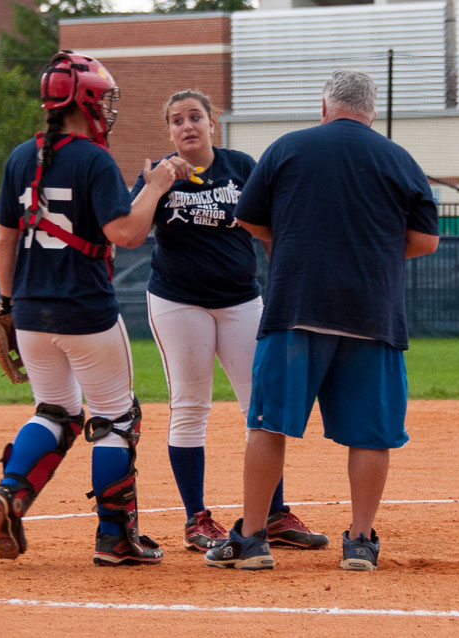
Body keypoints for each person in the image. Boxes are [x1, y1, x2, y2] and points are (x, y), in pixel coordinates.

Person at [204, 69, 439, 571]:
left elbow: (247, 217)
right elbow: (425, 241)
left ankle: (251, 541)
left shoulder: (288, 147)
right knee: (371, 433)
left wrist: (293, 241)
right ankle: (359, 542)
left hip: (297, 308)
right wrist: (370, 251)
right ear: (371, 111)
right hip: (371, 314)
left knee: (268, 424)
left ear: (324, 106)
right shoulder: (400, 159)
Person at [0, 51, 186, 566]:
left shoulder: (20, 157)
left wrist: (8, 302)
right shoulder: (93, 158)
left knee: (56, 411)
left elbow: (5, 241)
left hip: (29, 312)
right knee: (116, 419)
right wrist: (158, 184)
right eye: (104, 99)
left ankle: (10, 490)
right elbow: (127, 233)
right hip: (86, 311)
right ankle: (116, 539)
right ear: (88, 101)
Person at [128, 89, 328, 552]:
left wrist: (283, 285)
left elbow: (272, 228)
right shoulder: (160, 175)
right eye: (176, 120)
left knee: (262, 404)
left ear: (212, 123)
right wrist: (156, 185)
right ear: (170, 131)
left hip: (241, 299)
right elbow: (132, 235)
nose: (187, 126)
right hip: (179, 303)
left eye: (195, 116)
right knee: (191, 406)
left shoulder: (240, 166)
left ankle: (273, 514)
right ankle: (197, 520)